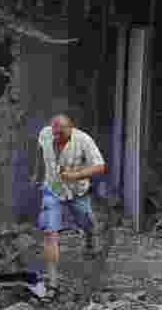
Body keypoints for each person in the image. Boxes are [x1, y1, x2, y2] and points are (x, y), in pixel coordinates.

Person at [31, 112, 107, 294]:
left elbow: (100, 166)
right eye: (54, 133)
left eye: (61, 134)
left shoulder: (83, 140)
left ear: (71, 129)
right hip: (52, 189)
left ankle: (89, 236)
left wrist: (75, 175)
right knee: (50, 233)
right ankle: (53, 284)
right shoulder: (45, 134)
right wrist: (37, 173)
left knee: (86, 222)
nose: (56, 138)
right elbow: (40, 152)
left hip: (77, 191)